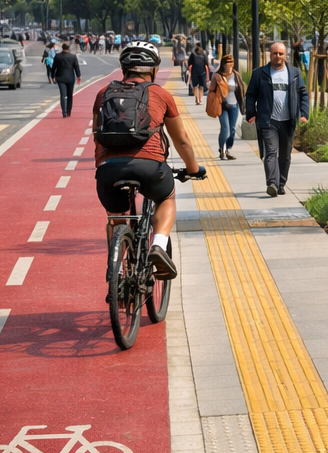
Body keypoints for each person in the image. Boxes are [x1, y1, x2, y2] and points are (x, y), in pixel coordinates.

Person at [92, 41, 203, 282]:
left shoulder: (103, 94)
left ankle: (116, 270)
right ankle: (159, 245)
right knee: (166, 197)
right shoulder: (161, 94)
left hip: (109, 170)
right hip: (150, 167)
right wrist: (193, 169)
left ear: (124, 68)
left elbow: (97, 136)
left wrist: (102, 167)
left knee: (116, 217)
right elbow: (181, 140)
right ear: (153, 69)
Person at [244, 41, 309, 198]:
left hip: (288, 121)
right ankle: (272, 183)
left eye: (281, 53)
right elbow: (250, 95)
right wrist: (251, 113)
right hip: (268, 121)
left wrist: (304, 113)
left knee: (285, 155)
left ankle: (281, 184)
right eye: (275, 53)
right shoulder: (260, 73)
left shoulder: (294, 73)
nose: (278, 56)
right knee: (271, 152)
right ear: (270, 54)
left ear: (285, 55)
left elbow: (303, 93)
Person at [209, 54, 241, 160]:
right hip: (222, 105)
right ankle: (222, 150)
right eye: (227, 63)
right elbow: (211, 90)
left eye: (231, 63)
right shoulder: (217, 75)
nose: (229, 65)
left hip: (234, 105)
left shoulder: (236, 75)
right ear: (223, 64)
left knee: (232, 130)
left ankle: (227, 149)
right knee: (225, 128)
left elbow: (240, 90)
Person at [51, 42, 81, 117]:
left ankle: (64, 111)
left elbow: (54, 67)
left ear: (62, 48)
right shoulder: (73, 57)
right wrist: (78, 76)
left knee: (63, 95)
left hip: (60, 77)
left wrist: (52, 76)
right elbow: (76, 67)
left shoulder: (58, 56)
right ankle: (68, 111)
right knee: (70, 95)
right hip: (70, 77)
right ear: (68, 48)